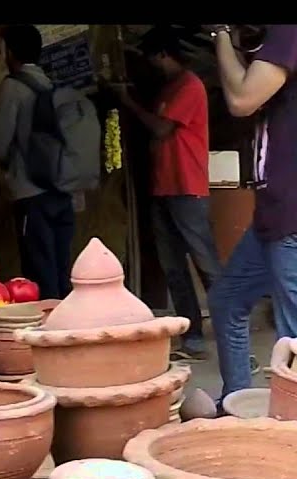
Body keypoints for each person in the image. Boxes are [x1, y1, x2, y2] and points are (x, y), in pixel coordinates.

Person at [114, 26, 221, 359]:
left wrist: (127, 102)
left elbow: (161, 129)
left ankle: (233, 331)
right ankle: (193, 338)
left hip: (187, 187)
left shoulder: (189, 86)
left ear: (163, 55)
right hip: (165, 187)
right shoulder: (170, 87)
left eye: (151, 58)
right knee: (174, 266)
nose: (150, 65)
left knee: (206, 264)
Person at [206, 24, 297, 406]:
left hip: (291, 215)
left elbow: (242, 99)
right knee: (227, 300)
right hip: (272, 216)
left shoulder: (288, 32)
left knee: (292, 342)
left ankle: (286, 441)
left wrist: (221, 36)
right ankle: (238, 403)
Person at [0, 25, 76, 299]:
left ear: (10, 52)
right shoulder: (53, 85)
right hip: (62, 190)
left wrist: (3, 171)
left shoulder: (12, 87)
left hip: (31, 193)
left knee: (40, 268)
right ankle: (67, 324)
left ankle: (48, 330)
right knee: (62, 266)